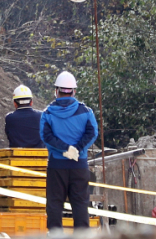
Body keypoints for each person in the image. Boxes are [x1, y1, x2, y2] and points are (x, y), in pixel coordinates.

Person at [40, 71, 97, 232]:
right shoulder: (86, 112)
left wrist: (65, 149)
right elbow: (92, 133)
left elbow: (46, 136)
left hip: (56, 166)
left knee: (55, 204)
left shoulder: (48, 113)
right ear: (74, 91)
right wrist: (77, 149)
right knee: (80, 205)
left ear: (56, 90)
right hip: (79, 165)